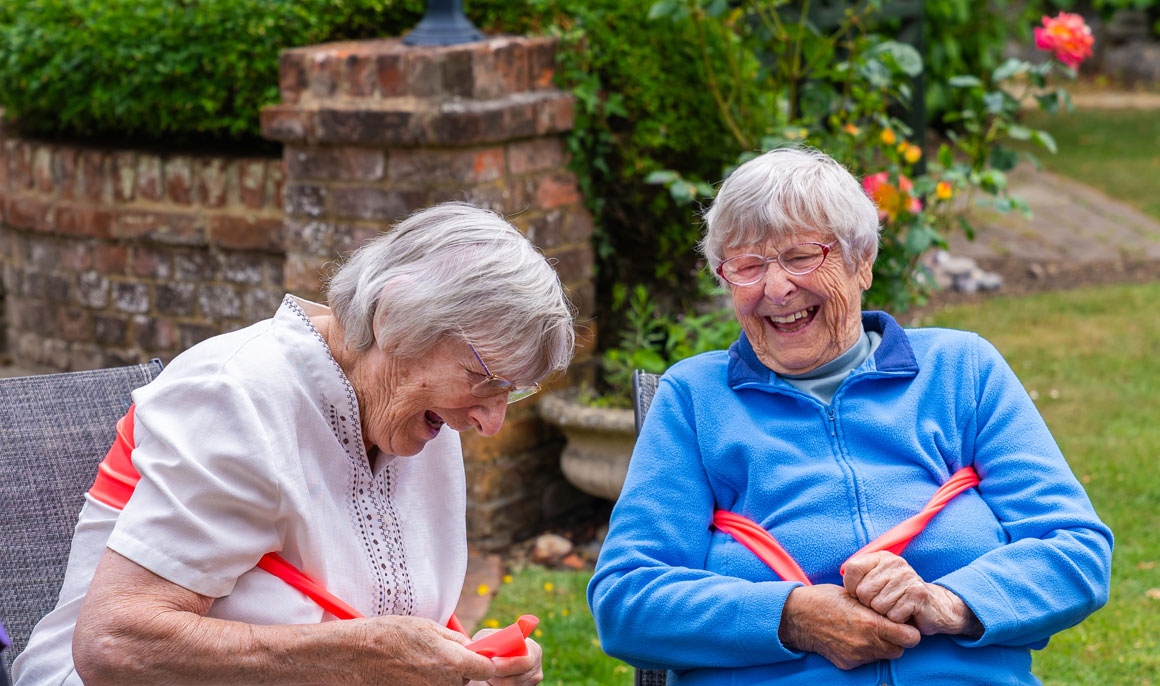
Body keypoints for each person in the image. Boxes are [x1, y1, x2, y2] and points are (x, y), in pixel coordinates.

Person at [588, 148, 1112, 685]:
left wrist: (950, 603)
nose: (776, 289)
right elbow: (626, 599)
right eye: (747, 266)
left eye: (800, 256)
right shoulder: (694, 398)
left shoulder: (961, 370)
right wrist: (794, 619)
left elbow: (1075, 549)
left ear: (862, 262)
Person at [14, 202, 574, 686]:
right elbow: (112, 645)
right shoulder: (235, 395)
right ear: (396, 319)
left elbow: (389, 623)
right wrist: (359, 658)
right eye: (485, 379)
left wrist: (467, 660)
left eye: (512, 391)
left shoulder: (418, 413)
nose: (491, 421)